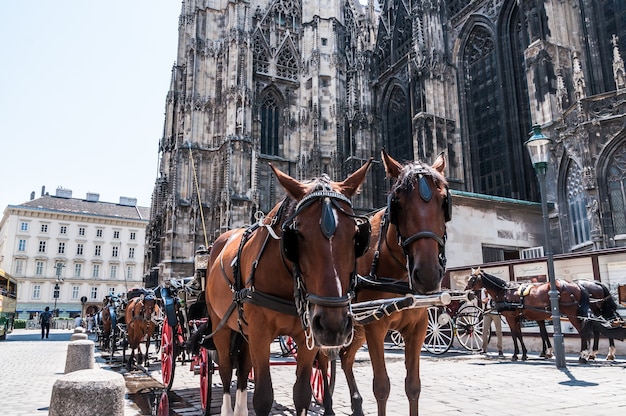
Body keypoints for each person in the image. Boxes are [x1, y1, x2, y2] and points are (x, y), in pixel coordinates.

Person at [481, 288, 503, 357]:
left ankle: (500, 349)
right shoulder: (484, 290)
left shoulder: (495, 289)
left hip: (496, 311)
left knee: (498, 331)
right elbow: (483, 300)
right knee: (485, 330)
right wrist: (487, 298)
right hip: (487, 311)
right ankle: (484, 348)